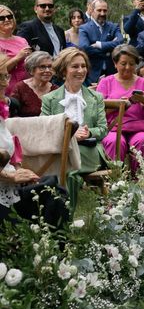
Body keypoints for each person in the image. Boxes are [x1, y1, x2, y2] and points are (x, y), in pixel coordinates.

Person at [0, 54, 69, 228]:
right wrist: (9, 175)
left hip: (10, 184)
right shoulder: (21, 88)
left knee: (54, 191)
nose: (5, 83)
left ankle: (58, 248)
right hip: (5, 186)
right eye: (0, 77)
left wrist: (18, 172)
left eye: (5, 76)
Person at [41, 48, 108, 211]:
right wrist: (68, 134)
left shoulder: (95, 97)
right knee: (69, 174)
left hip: (88, 150)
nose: (81, 70)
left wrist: (88, 132)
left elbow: (103, 129)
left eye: (83, 66)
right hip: (60, 150)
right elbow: (43, 128)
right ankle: (59, 222)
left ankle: (62, 223)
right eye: (75, 66)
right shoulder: (50, 99)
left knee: (63, 170)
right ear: (64, 70)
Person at [96, 45, 144, 176]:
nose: (128, 67)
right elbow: (97, 111)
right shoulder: (106, 82)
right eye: (123, 63)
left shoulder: (143, 83)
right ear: (115, 63)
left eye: (131, 64)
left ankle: (141, 179)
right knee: (114, 141)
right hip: (113, 127)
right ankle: (115, 179)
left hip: (139, 127)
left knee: (142, 141)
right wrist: (119, 104)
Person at [78, 0, 124, 84]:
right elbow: (84, 48)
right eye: (99, 10)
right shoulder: (84, 28)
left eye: (105, 11)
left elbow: (120, 42)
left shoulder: (113, 26)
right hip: (93, 74)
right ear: (92, 10)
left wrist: (99, 45)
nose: (102, 13)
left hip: (112, 72)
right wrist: (111, 48)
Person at [11, 51, 57, 117]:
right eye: (42, 67)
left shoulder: (56, 90)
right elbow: (12, 114)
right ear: (31, 70)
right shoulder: (20, 88)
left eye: (50, 67)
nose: (47, 70)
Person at [0, 5, 31, 95]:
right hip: (8, 90)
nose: (7, 19)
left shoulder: (21, 40)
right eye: (2, 18)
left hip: (27, 87)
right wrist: (17, 58)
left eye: (9, 17)